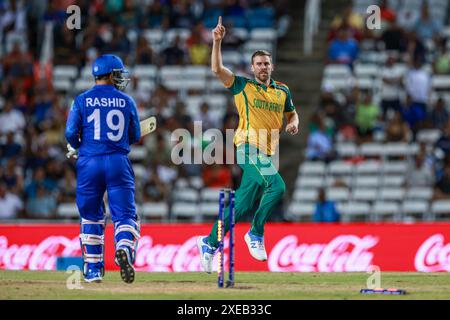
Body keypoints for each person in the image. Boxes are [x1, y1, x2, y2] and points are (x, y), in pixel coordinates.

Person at [197, 17, 299, 273]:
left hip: (265, 154)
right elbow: (217, 70)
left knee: (238, 207)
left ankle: (209, 244)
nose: (262, 67)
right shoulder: (244, 86)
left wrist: (294, 122)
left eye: (266, 63)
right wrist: (217, 42)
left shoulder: (283, 91)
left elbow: (292, 113)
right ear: (253, 68)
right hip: (246, 149)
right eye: (258, 64)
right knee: (277, 186)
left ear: (271, 66)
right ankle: (255, 233)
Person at [65, 54, 141, 284]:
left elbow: (70, 133)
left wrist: (78, 146)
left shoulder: (81, 100)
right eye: (117, 74)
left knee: (91, 216)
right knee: (125, 214)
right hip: (118, 162)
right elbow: (135, 135)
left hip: (89, 163)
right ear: (109, 75)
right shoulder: (127, 101)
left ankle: (92, 270)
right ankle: (125, 249)